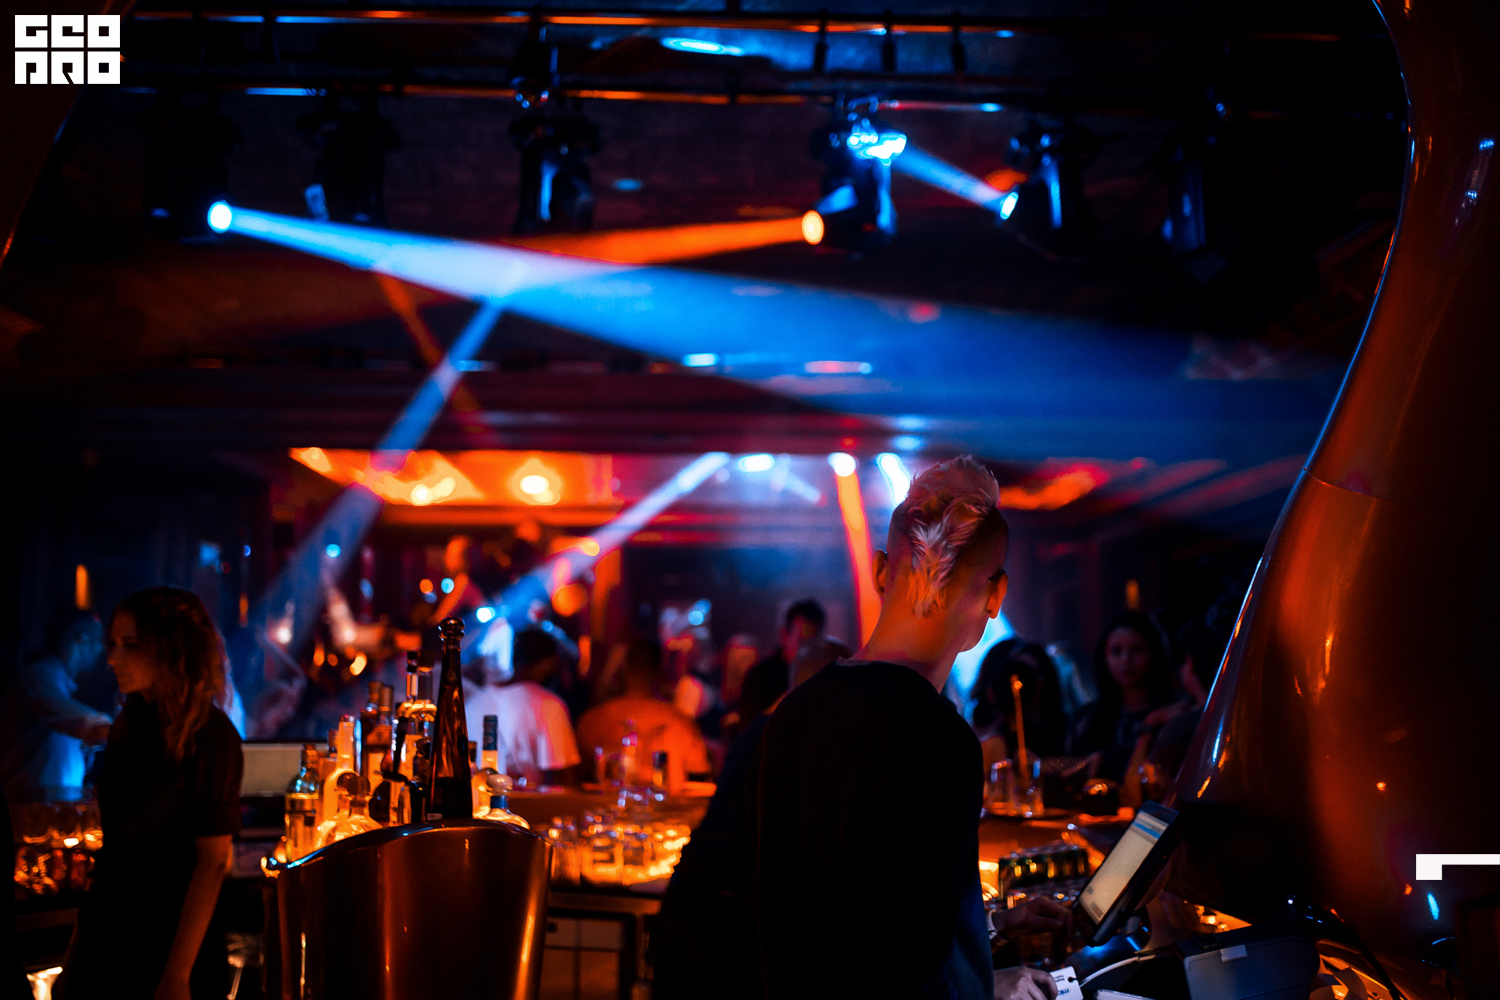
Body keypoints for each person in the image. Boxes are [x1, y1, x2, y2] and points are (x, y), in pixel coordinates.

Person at [754, 456, 1066, 1000]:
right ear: (996, 595)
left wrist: (986, 935)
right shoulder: (938, 740)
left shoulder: (795, 711)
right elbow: (903, 969)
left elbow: (836, 914)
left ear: (880, 571)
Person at [58, 587, 243, 1000]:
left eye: (131, 645)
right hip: (107, 939)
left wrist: (176, 976)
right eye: (113, 644)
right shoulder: (129, 725)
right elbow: (113, 855)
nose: (113, 658)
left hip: (169, 941)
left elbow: (212, 864)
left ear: (171, 650)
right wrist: (76, 954)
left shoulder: (211, 737)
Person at [0, 610, 112, 802]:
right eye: (100, 641)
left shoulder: (60, 686)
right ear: (83, 639)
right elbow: (76, 720)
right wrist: (120, 728)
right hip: (26, 810)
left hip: (48, 810)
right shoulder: (38, 677)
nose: (103, 650)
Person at [575, 639, 710, 790]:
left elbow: (576, 779)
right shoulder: (682, 723)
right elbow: (699, 780)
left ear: (625, 669)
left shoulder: (594, 720)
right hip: (668, 804)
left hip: (610, 803)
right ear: (659, 672)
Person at [1066, 610, 1176, 783]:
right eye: (1116, 651)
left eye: (1136, 650)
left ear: (1154, 652)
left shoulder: (1173, 714)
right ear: (1104, 655)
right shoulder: (1086, 720)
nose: (1126, 660)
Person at [464, 628, 582, 787]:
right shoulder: (549, 704)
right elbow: (564, 780)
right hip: (524, 802)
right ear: (547, 662)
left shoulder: (474, 702)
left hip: (475, 799)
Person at [971, 639, 1068, 776]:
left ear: (1045, 680)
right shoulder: (985, 739)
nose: (1018, 680)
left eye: (1027, 672)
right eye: (1011, 670)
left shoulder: (1066, 733)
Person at [737, 600, 826, 726]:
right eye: (802, 641)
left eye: (814, 643)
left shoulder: (823, 676)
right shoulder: (759, 677)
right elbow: (748, 731)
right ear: (784, 635)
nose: (808, 650)